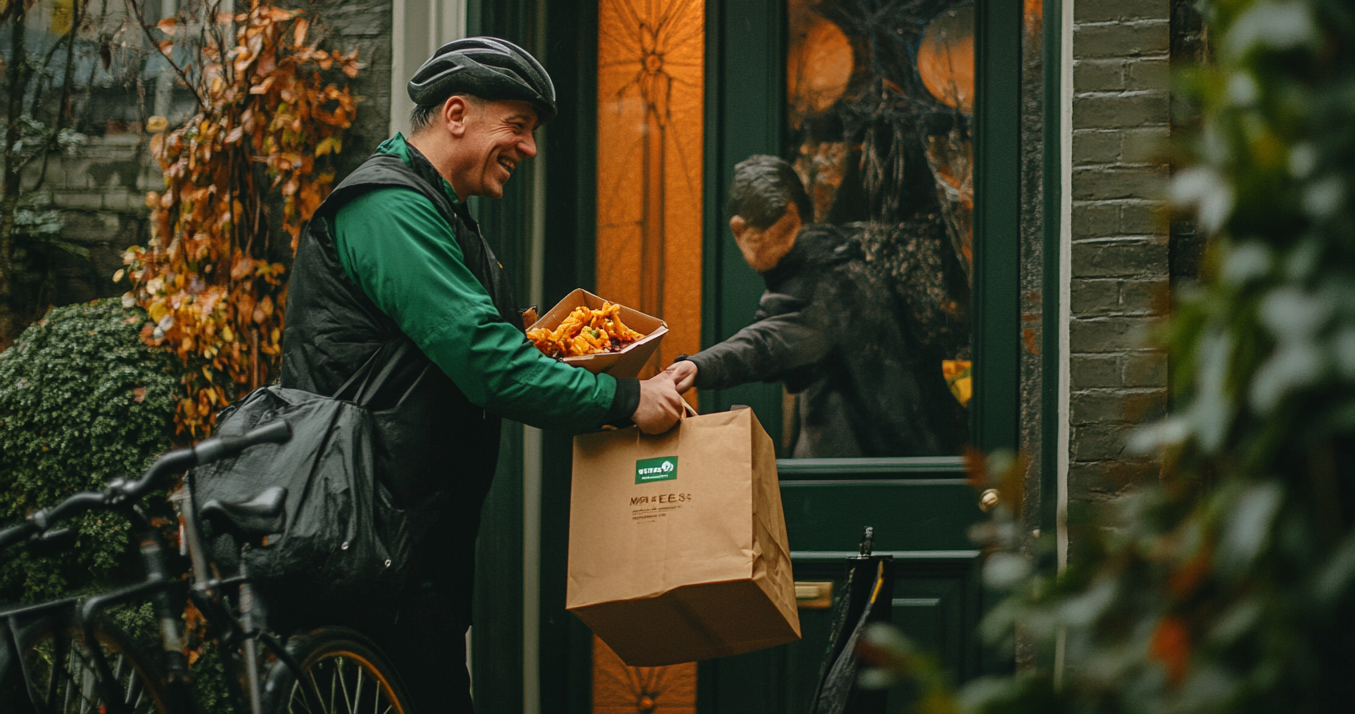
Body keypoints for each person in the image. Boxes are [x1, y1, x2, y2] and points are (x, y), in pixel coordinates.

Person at [278, 37, 683, 713]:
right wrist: (624, 397)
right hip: (368, 546)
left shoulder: (437, 212)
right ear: (457, 114)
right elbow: (488, 363)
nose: (527, 149)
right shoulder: (388, 210)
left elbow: (484, 347)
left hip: (404, 547)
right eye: (517, 128)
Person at [666, 155, 965, 458]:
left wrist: (698, 366)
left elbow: (766, 342)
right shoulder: (846, 264)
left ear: (742, 228)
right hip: (908, 462)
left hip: (870, 478)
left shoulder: (823, 283)